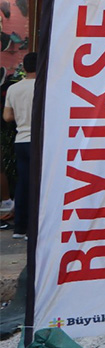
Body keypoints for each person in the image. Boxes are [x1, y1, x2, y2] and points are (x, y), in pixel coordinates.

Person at [2, 53, 37, 239]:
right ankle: (33, 228)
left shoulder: (14, 89)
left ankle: (19, 228)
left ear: (24, 68)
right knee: (38, 183)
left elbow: (7, 117)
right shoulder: (44, 87)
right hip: (38, 142)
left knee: (23, 183)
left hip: (20, 140)